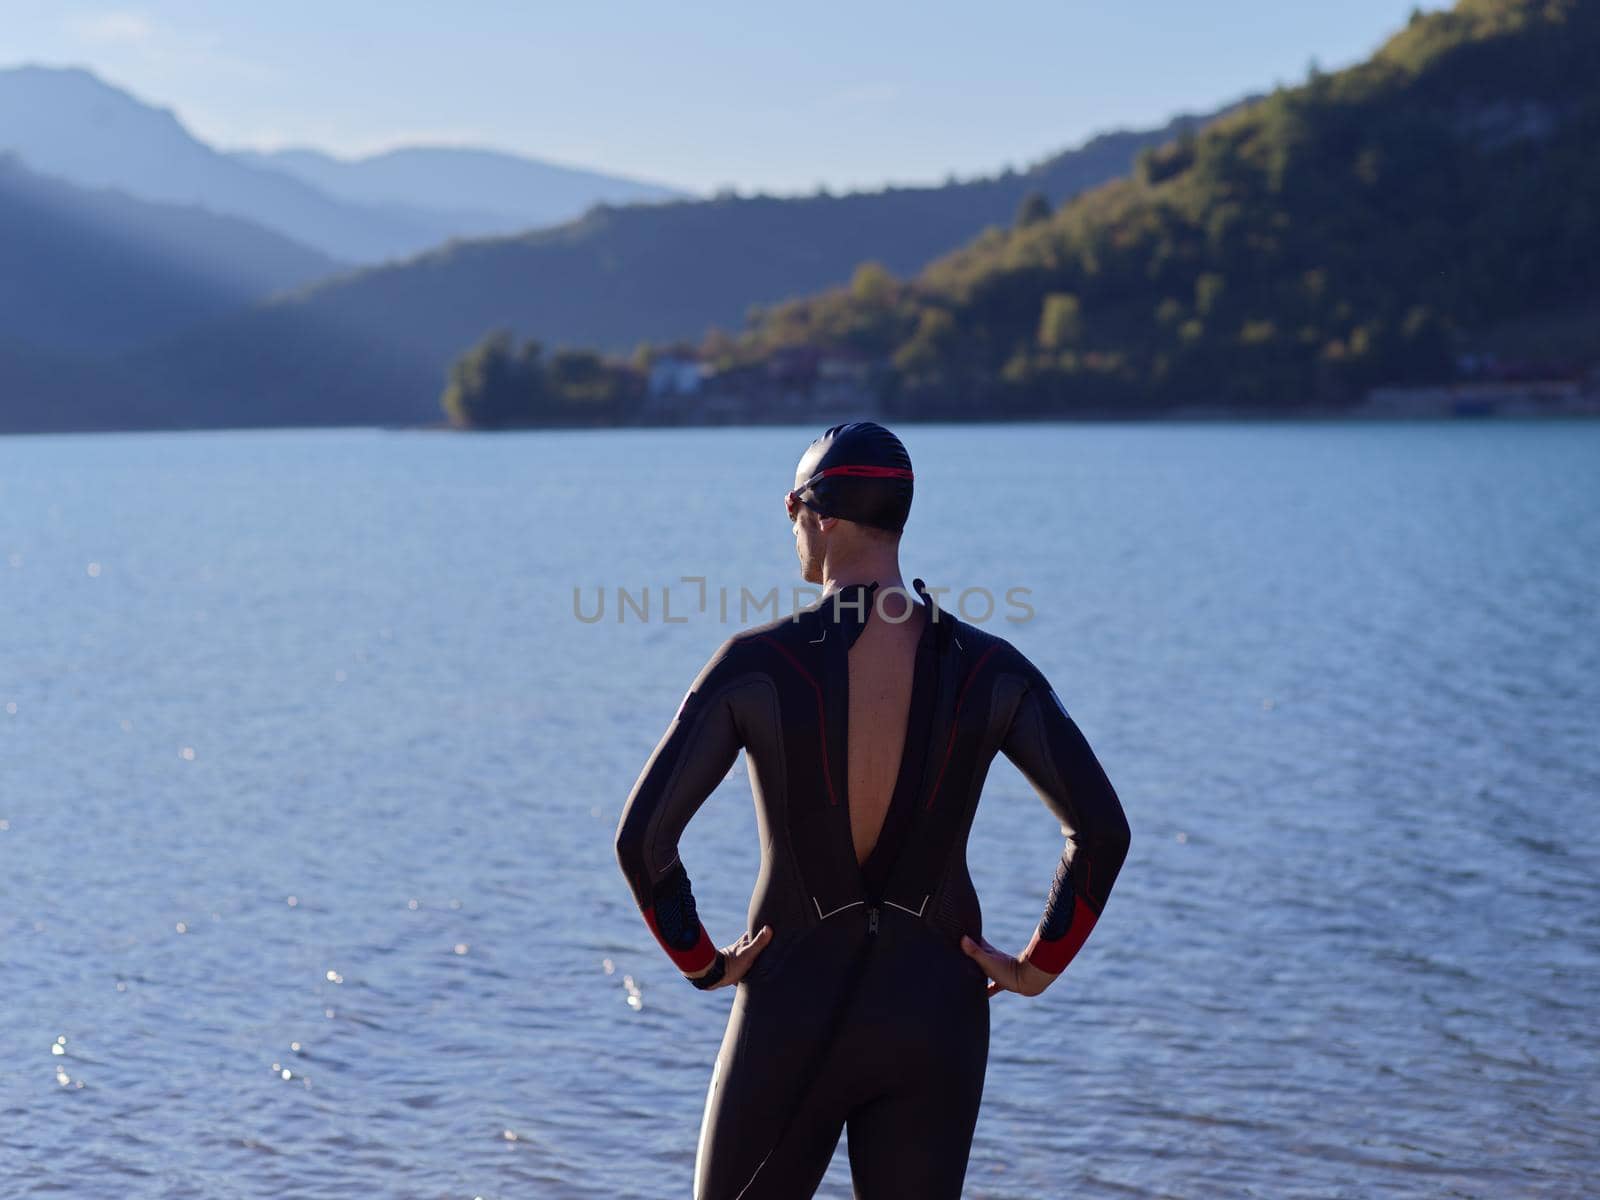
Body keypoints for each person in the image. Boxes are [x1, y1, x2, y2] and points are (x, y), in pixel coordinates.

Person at [614, 421, 1131, 1199]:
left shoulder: (756, 666)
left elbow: (644, 841)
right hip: (938, 1013)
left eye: (790, 505)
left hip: (790, 1008)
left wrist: (704, 962)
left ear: (818, 516)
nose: (788, 524)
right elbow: (1100, 832)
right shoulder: (993, 669)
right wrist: (1034, 968)